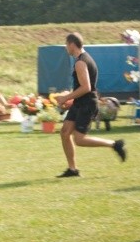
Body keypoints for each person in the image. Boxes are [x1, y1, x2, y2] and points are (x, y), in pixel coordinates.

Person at [54, 33, 126, 178]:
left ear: (72, 44)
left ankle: (114, 144)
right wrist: (70, 97)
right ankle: (72, 169)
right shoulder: (85, 59)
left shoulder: (81, 62)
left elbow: (86, 87)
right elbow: (83, 86)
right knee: (65, 132)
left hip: (87, 104)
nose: (66, 48)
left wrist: (65, 98)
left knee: (79, 139)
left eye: (66, 45)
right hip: (80, 102)